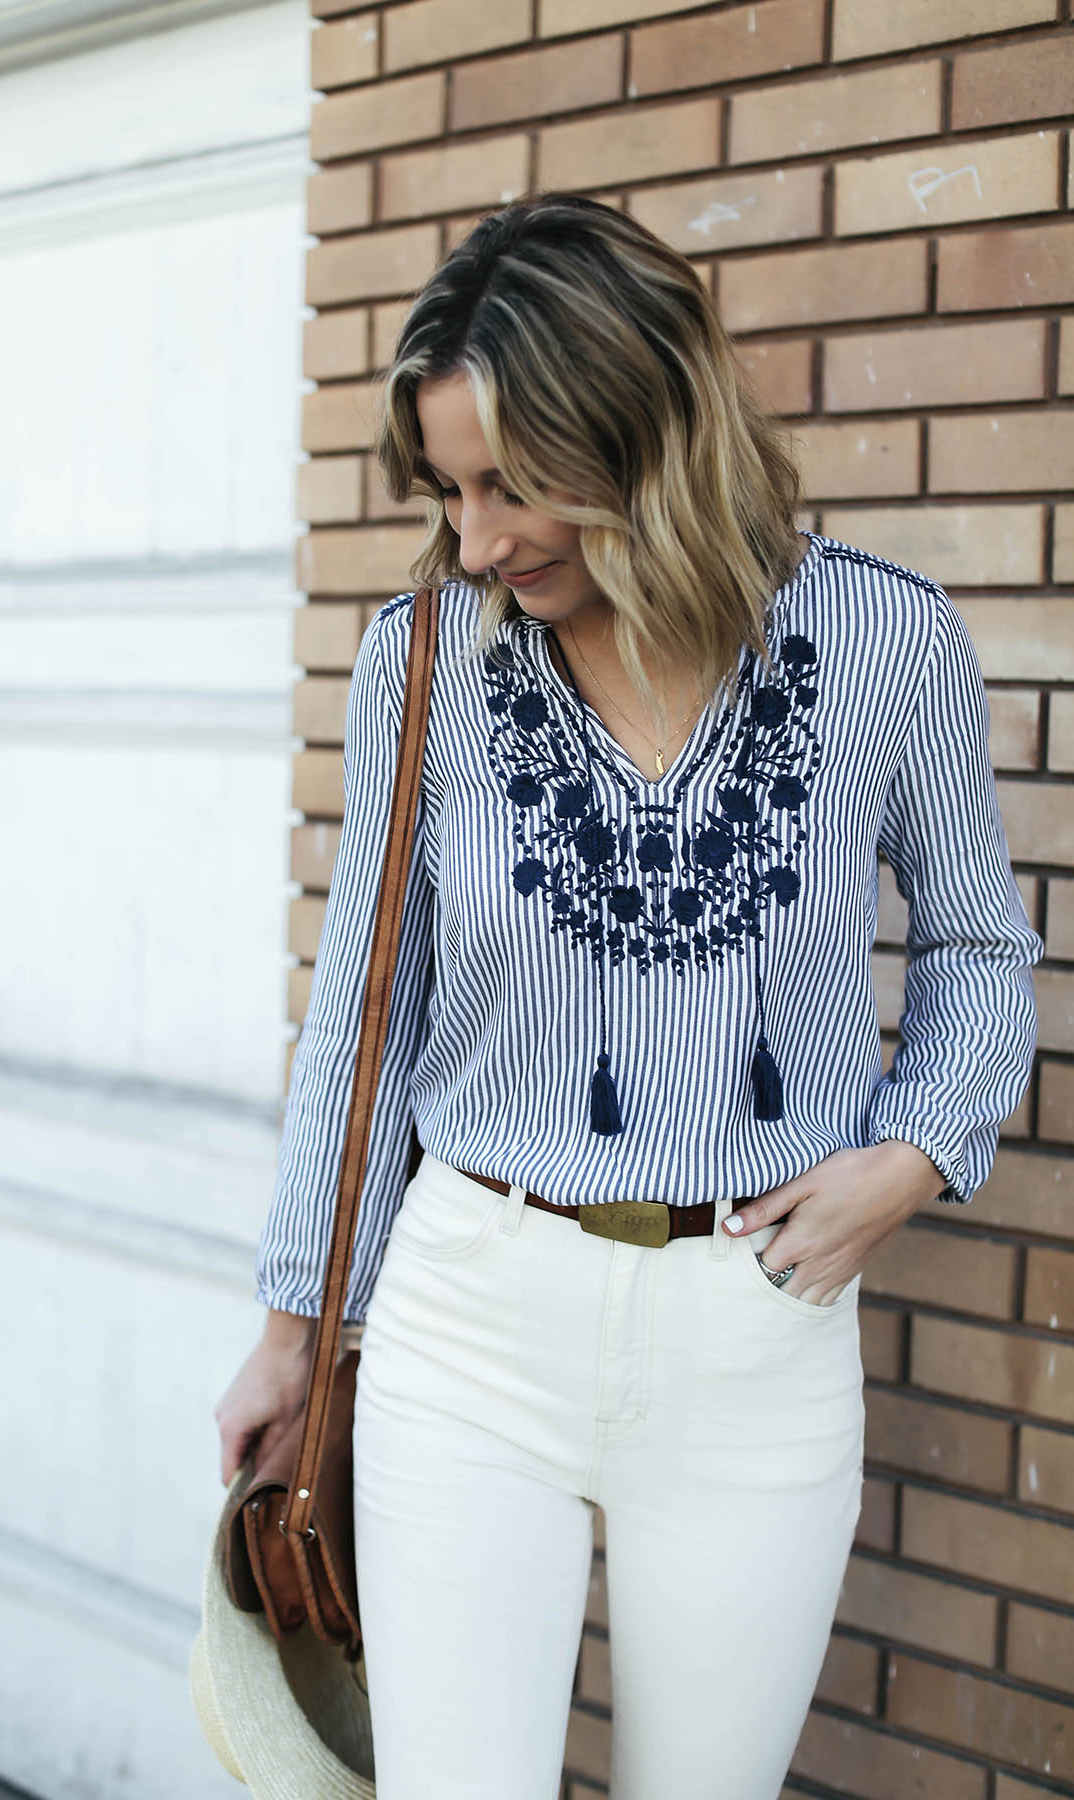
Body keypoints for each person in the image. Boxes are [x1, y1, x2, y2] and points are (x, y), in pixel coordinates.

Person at [214, 193, 1043, 1800]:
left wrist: (918, 1150)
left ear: (642, 429)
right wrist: (291, 1337)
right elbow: (363, 1023)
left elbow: (978, 951)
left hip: (758, 1332)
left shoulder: (888, 640)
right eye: (448, 489)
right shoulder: (431, 656)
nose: (474, 538)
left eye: (513, 484)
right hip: (467, 1321)